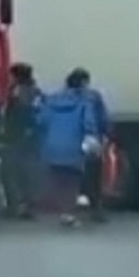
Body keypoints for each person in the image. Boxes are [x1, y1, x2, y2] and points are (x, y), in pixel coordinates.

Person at [37, 69, 100, 226]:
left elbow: (41, 121)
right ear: (84, 83)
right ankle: (68, 213)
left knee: (58, 179)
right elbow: (89, 124)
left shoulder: (52, 100)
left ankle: (61, 210)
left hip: (52, 146)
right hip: (73, 146)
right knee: (72, 181)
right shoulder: (85, 102)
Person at [0, 62, 43, 218]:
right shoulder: (36, 92)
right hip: (32, 138)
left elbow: (16, 115)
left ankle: (15, 206)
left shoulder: (18, 92)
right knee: (28, 173)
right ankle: (29, 206)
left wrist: (6, 134)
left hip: (16, 138)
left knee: (9, 173)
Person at [72, 68, 112, 222]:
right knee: (93, 175)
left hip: (68, 143)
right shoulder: (92, 97)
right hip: (89, 141)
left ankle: (67, 210)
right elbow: (103, 119)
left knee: (68, 177)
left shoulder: (59, 97)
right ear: (85, 81)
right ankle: (96, 208)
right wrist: (107, 134)